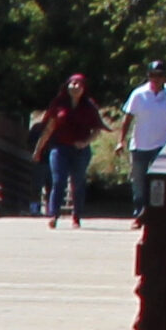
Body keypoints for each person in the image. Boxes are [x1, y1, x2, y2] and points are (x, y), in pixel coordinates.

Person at [32, 72, 103, 227]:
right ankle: (53, 215)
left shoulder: (89, 106)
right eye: (72, 83)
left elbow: (97, 129)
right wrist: (38, 149)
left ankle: (76, 216)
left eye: (78, 84)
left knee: (77, 182)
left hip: (80, 151)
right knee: (58, 181)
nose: (74, 86)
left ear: (84, 88)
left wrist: (85, 143)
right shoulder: (59, 104)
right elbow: (49, 128)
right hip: (59, 148)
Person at [123, 60, 166, 193]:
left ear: (165, 77)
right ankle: (139, 210)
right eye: (152, 75)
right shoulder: (138, 94)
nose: (156, 79)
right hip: (139, 145)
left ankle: (157, 211)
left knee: (159, 182)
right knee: (138, 182)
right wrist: (121, 140)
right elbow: (128, 118)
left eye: (159, 75)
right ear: (148, 76)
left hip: (162, 146)